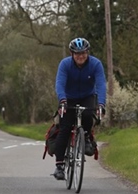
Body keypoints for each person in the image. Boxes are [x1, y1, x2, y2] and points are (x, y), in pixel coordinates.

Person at [53, 37, 107, 180]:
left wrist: (101, 104)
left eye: (83, 53)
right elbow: (59, 83)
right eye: (77, 54)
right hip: (69, 98)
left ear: (87, 52)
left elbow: (101, 84)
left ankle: (87, 138)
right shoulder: (65, 64)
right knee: (64, 128)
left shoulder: (95, 64)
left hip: (87, 96)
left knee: (89, 116)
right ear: (72, 54)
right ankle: (59, 166)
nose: (80, 56)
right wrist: (62, 101)